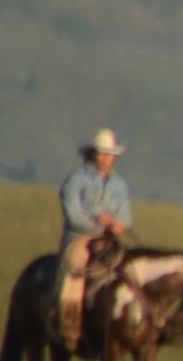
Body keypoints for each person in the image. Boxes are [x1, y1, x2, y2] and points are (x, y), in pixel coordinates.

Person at [56, 128, 134, 346]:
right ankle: (67, 321)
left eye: (109, 154)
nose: (105, 158)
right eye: (101, 153)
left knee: (130, 268)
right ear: (92, 154)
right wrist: (97, 222)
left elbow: (125, 215)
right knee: (74, 267)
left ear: (114, 157)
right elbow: (73, 214)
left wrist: (119, 224)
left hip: (109, 240)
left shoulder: (119, 185)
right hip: (79, 237)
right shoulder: (76, 180)